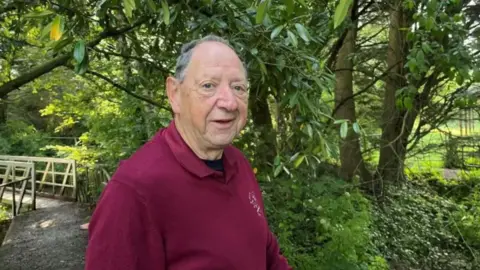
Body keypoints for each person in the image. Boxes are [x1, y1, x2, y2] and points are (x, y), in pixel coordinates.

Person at [84, 35, 292, 270]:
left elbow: (268, 255)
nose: (230, 102)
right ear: (175, 94)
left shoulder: (238, 163)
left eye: (238, 87)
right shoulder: (134, 191)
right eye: (208, 86)